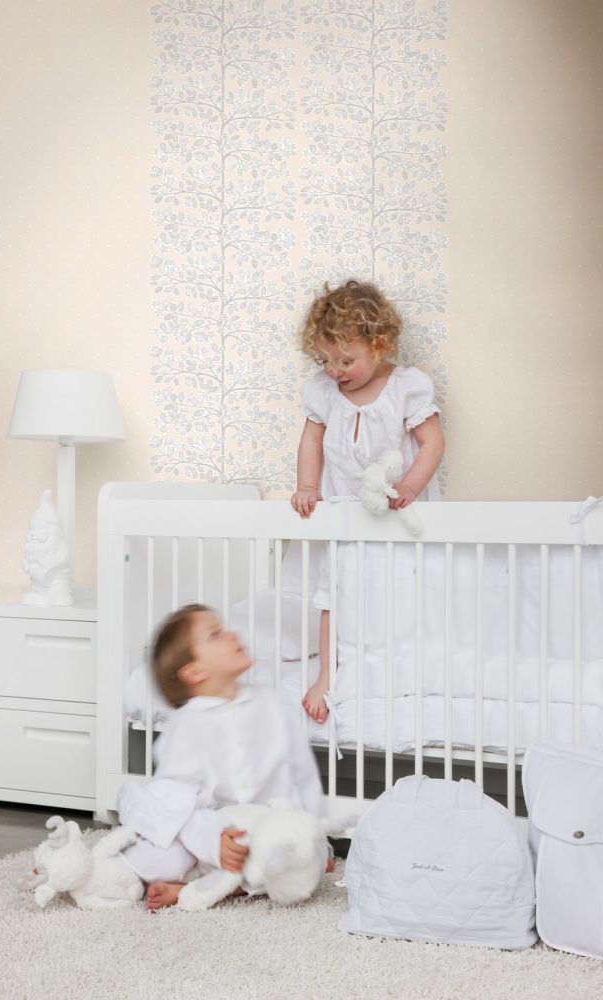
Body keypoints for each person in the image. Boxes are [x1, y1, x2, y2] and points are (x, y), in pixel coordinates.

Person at [291, 279, 445, 723]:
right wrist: (307, 487)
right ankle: (327, 672)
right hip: (345, 514)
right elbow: (311, 442)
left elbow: (432, 442)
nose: (335, 370)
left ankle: (399, 669)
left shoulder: (405, 387)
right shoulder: (323, 392)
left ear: (379, 346)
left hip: (395, 514)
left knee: (402, 594)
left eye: (345, 360)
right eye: (325, 360)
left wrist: (411, 486)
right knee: (333, 596)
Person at [117, 603, 331, 910]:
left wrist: (313, 832)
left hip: (266, 828)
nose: (233, 635)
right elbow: (176, 802)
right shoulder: (187, 725)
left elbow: (303, 776)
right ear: (195, 671)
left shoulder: (270, 704)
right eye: (216, 634)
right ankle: (198, 880)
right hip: (209, 831)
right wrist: (212, 841)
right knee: (162, 857)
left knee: (296, 863)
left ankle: (205, 888)